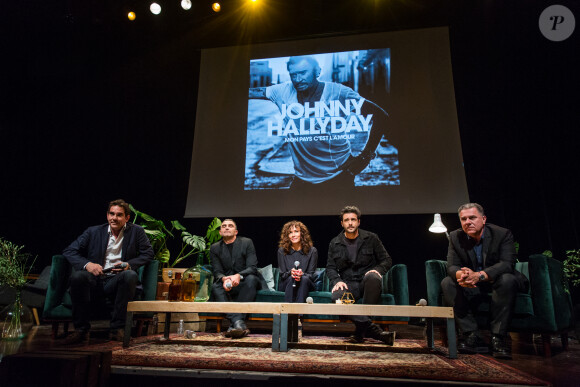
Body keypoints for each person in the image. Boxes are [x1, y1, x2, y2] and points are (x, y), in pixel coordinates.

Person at [249, 55, 390, 189]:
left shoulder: (339, 92)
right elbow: (250, 92)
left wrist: (365, 156)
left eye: (303, 73)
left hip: (339, 177)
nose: (297, 79)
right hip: (301, 180)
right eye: (293, 75)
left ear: (317, 72)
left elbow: (380, 116)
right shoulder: (282, 91)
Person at [441, 203, 528, 359]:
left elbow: (507, 264)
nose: (468, 222)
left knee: (507, 279)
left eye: (472, 217)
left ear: (483, 219)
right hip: (473, 284)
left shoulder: (502, 234)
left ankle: (498, 338)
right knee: (447, 282)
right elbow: (452, 266)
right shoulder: (455, 236)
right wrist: (462, 274)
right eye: (464, 219)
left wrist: (479, 275)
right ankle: (472, 335)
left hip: (498, 280)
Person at [62, 199, 154, 344]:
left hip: (117, 280)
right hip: (95, 279)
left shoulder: (136, 231)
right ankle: (81, 331)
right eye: (112, 214)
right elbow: (70, 251)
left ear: (127, 218)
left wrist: (128, 264)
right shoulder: (93, 231)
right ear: (107, 215)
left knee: (130, 275)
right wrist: (88, 264)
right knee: (78, 277)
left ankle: (117, 330)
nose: (114, 218)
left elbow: (148, 254)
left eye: (119, 215)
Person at [326, 205, 395, 345]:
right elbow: (330, 267)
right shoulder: (335, 242)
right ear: (342, 223)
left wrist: (378, 270)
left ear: (358, 222)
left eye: (353, 219)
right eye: (346, 220)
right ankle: (373, 331)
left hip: (366, 282)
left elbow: (386, 260)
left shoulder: (371, 238)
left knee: (373, 277)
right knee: (336, 297)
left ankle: (360, 332)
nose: (350, 223)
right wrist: (337, 280)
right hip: (348, 284)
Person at [210, 219, 260, 338]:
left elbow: (252, 267)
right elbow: (217, 271)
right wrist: (223, 279)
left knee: (252, 279)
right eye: (224, 226)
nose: (227, 228)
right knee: (215, 285)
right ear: (220, 232)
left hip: (245, 281)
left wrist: (238, 275)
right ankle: (238, 323)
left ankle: (235, 322)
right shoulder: (215, 248)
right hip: (227, 284)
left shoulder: (246, 242)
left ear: (236, 231)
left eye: (230, 226)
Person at [277, 220, 318, 303]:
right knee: (292, 278)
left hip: (306, 282)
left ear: (302, 234)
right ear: (287, 236)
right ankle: (290, 313)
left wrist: (301, 274)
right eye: (290, 232)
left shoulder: (312, 251)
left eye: (296, 231)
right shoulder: (282, 251)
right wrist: (291, 273)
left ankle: (298, 314)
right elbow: (283, 275)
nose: (293, 235)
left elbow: (311, 275)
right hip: (288, 282)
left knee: (304, 279)